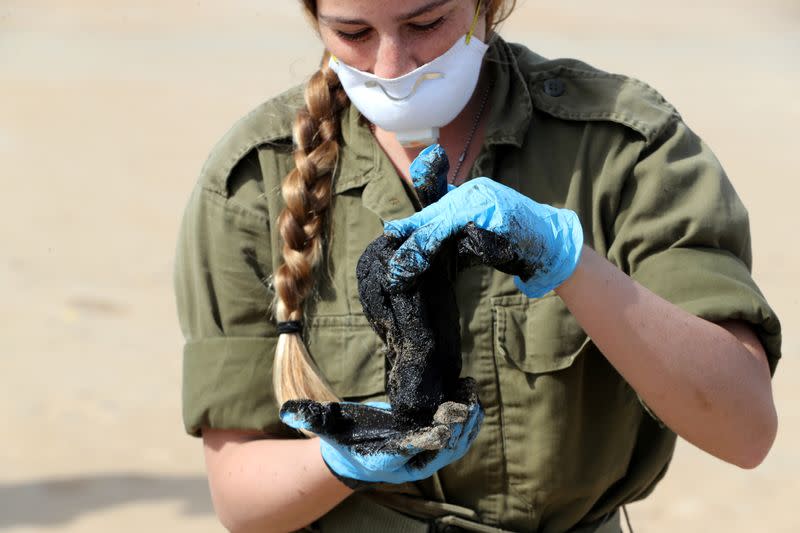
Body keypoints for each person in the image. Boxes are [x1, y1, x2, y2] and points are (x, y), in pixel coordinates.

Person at [173, 1, 782, 531]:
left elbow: (744, 430)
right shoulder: (254, 181)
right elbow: (239, 497)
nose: (392, 67)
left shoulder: (623, 146)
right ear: (314, 19)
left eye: (427, 22)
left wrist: (569, 263)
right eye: (352, 33)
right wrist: (345, 458)